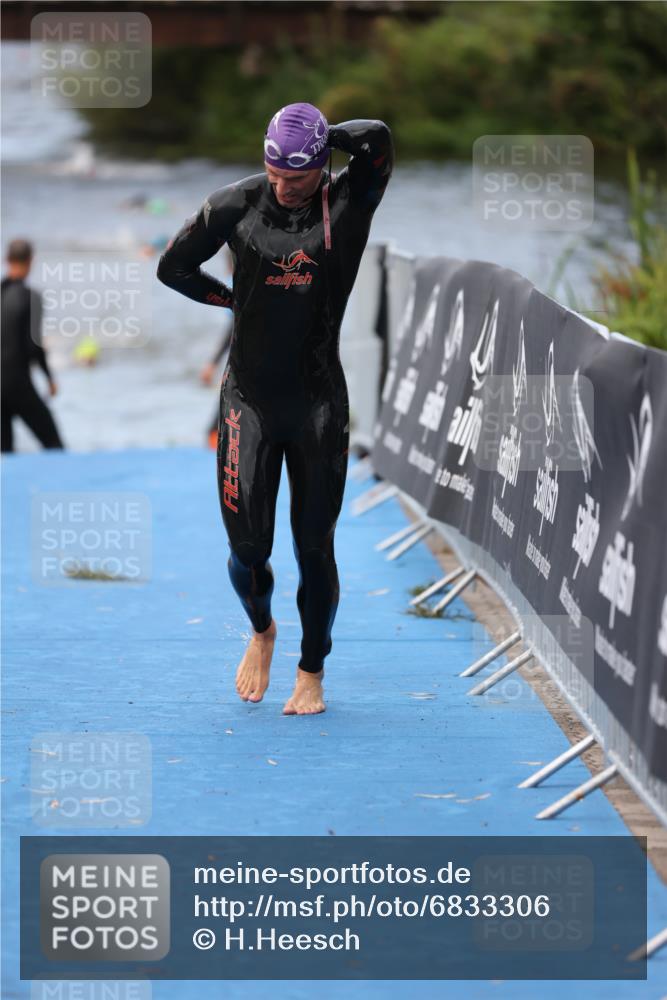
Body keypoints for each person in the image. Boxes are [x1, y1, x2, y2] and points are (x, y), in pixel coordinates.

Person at [157, 102, 393, 714]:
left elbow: (378, 140)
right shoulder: (234, 205)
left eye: (298, 175)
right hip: (250, 402)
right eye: (275, 172)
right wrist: (232, 300)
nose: (284, 187)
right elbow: (173, 266)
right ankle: (262, 630)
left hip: (318, 401)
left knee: (315, 546)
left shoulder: (348, 202)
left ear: (321, 166)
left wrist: (320, 134)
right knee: (248, 552)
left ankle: (311, 671)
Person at [1, 239, 64, 453]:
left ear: (6, 260)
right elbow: (33, 345)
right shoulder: (31, 298)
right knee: (54, 445)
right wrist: (49, 378)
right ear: (30, 261)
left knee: (4, 454)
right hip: (18, 384)